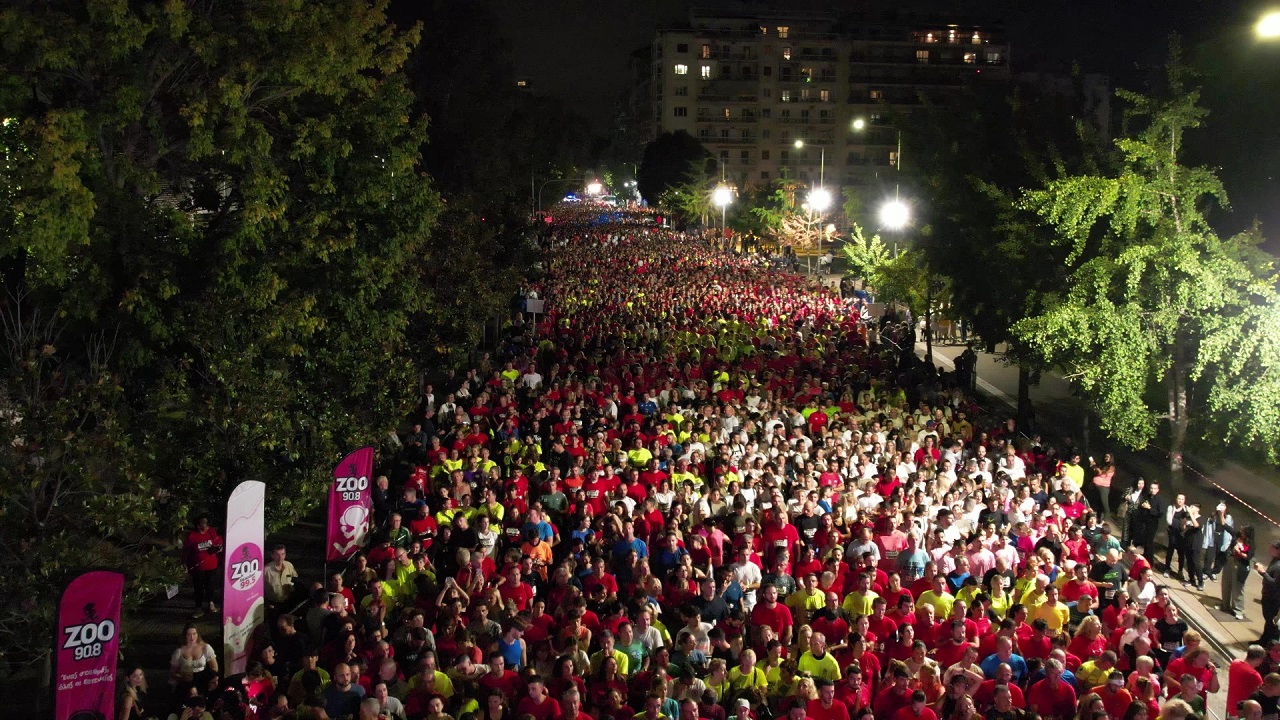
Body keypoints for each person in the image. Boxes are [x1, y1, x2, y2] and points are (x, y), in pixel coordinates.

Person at [182, 515, 223, 618]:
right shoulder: (192, 536)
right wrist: (184, 563)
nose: (205, 526)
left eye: (206, 523)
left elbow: (219, 542)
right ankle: (198, 608)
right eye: (203, 524)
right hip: (198, 567)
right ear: (198, 525)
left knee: (210, 586)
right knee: (198, 588)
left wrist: (218, 548)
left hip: (212, 565)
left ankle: (210, 603)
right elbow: (186, 551)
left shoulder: (211, 532)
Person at [1225, 526, 1257, 620]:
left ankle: (1238, 609)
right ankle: (1225, 605)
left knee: (1238, 587)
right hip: (1231, 560)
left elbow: (1248, 557)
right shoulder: (1237, 536)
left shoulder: (1251, 544)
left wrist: (1239, 551)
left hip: (1241, 565)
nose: (1240, 532)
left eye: (1243, 531)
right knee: (1227, 583)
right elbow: (1228, 528)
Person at [1254, 540, 1280, 646]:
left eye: (1272, 548)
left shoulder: (1278, 566)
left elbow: (1275, 583)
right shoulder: (1274, 561)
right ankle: (1263, 640)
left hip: (1273, 598)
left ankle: (1269, 644)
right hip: (1267, 595)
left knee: (1271, 622)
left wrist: (1263, 572)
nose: (1269, 550)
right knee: (1268, 621)